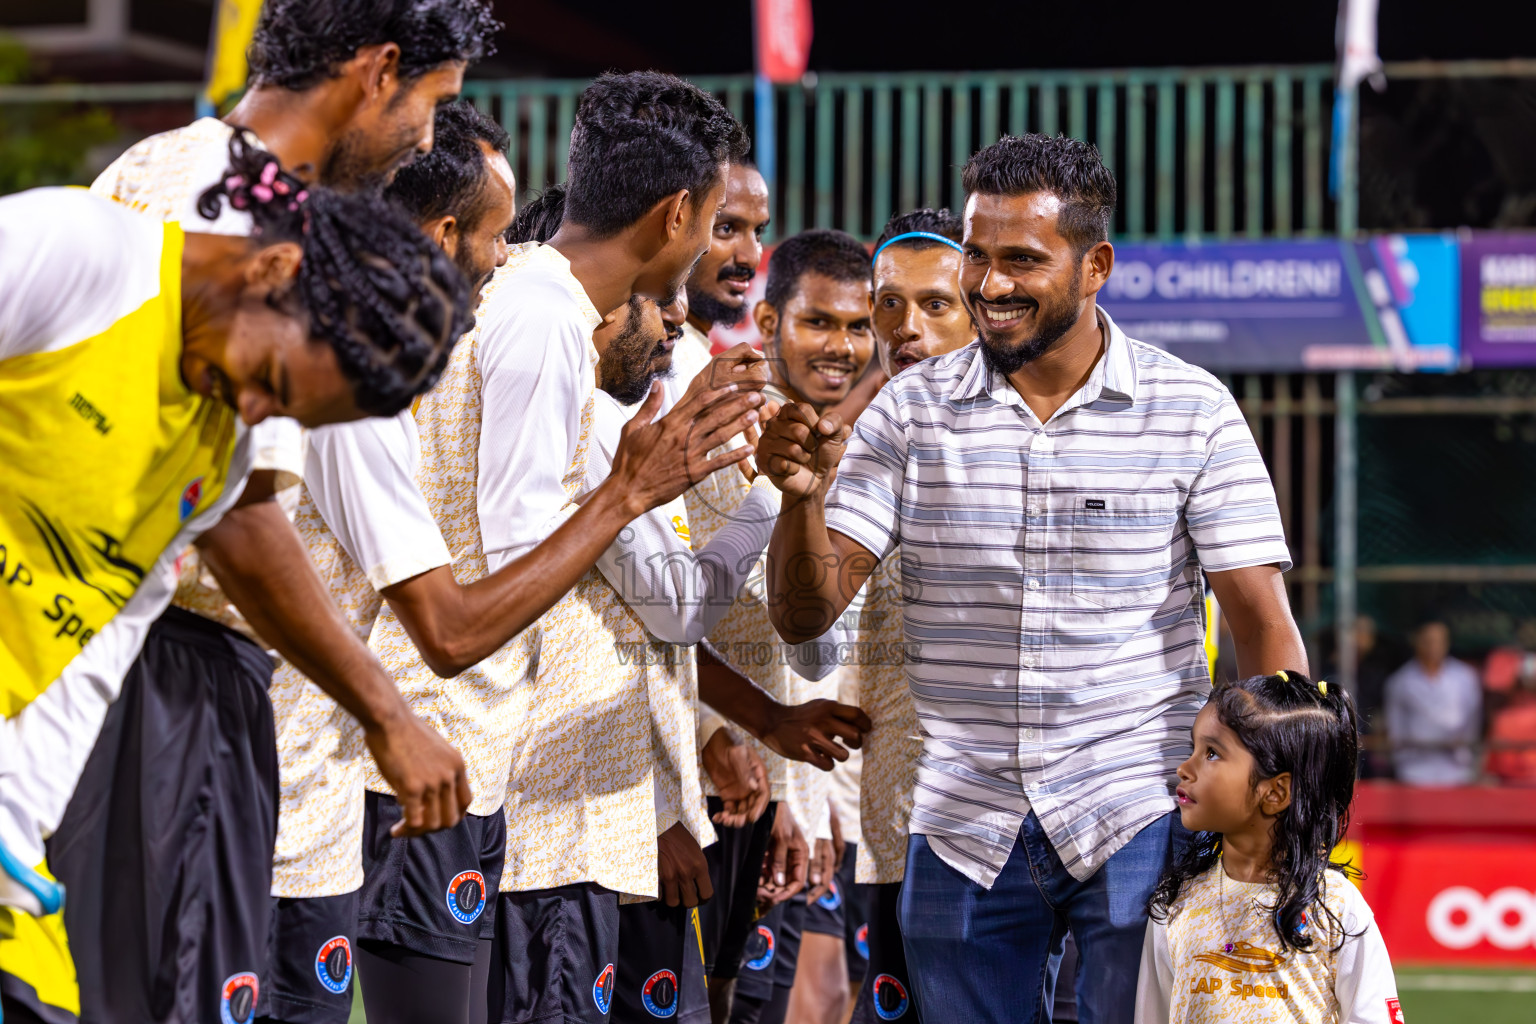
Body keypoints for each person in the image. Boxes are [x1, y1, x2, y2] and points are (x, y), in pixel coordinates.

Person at [755, 133, 1304, 1024]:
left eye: (1022, 260)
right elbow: (805, 614)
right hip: (964, 820)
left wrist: (1290, 809)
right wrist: (800, 502)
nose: (991, 284)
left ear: (1096, 266)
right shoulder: (906, 413)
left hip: (1141, 811)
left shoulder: (1192, 409)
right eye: (978, 255)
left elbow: (1263, 625)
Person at [0, 140, 473, 1024]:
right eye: (273, 381)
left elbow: (91, 652)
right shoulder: (76, 254)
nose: (258, 414)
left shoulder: (215, 454)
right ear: (275, 270)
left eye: (286, 413)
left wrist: (19, 819)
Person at [253, 99, 524, 1024]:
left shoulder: (366, 351)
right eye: (495, 236)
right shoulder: (340, 364)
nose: (503, 258)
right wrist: (625, 495)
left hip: (309, 808)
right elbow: (447, 630)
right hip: (269, 810)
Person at [729, 228, 877, 1024]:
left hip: (830, 795)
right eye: (819, 322)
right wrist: (791, 790)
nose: (842, 345)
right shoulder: (735, 436)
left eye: (858, 327)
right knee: (794, 1004)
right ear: (769, 320)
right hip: (749, 789)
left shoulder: (856, 449)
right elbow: (708, 627)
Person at [834, 208, 973, 1024]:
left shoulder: (1039, 438)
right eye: (889, 305)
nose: (906, 329)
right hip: (896, 820)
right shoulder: (860, 449)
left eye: (935, 305)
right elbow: (810, 636)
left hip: (1022, 836)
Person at [1134, 671, 1401, 1024]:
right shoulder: (1174, 903)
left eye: (1212, 754)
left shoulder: (1335, 906)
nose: (1185, 768)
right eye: (1193, 748)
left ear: (1275, 793)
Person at [1383, 619, 1483, 786]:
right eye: (1428, 641)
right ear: (1416, 642)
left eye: (1439, 641)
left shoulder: (1465, 677)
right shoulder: (1400, 681)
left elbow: (1473, 720)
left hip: (1456, 768)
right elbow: (1396, 725)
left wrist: (1466, 753)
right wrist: (1401, 759)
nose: (1433, 647)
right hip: (1414, 769)